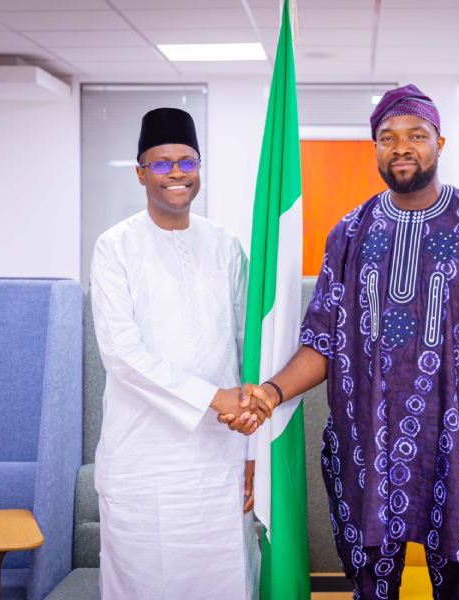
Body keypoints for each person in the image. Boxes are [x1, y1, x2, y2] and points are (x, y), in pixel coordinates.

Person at [234, 84, 459, 599]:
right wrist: (270, 392)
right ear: (374, 147)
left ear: (439, 143)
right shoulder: (349, 233)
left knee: (457, 588)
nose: (402, 146)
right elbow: (323, 341)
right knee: (372, 589)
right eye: (387, 136)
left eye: (416, 135)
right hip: (370, 450)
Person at [90, 107, 265, 599]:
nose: (176, 174)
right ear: (141, 172)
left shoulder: (225, 244)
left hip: (219, 460)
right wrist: (214, 398)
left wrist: (253, 450)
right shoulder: (115, 247)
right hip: (143, 461)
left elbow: (244, 347)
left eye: (186, 162)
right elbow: (122, 354)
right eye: (162, 163)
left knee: (226, 581)